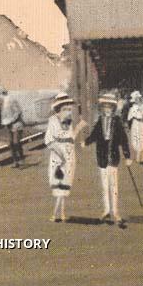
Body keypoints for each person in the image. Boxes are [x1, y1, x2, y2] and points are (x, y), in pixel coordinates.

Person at [84, 93, 132, 227]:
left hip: (113, 156)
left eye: (109, 107)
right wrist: (86, 142)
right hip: (101, 157)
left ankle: (115, 212)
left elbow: (123, 139)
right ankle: (106, 210)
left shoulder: (117, 121)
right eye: (105, 107)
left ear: (113, 108)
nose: (107, 109)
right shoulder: (100, 120)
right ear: (102, 108)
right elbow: (94, 135)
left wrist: (128, 156)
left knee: (114, 186)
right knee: (104, 185)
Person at [45, 92, 87, 222]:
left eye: (69, 109)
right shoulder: (52, 121)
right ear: (58, 109)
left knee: (65, 185)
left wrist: (79, 128)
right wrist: (60, 153)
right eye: (65, 109)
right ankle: (57, 213)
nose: (68, 111)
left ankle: (60, 213)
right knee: (58, 186)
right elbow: (48, 140)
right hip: (58, 156)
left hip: (69, 154)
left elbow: (70, 138)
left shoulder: (69, 122)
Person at [0, 90, 25, 168]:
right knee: (11, 144)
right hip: (9, 125)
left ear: (3, 94)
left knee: (16, 142)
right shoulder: (3, 103)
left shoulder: (12, 100)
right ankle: (15, 162)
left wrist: (11, 121)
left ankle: (21, 159)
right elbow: (4, 115)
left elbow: (18, 112)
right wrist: (4, 122)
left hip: (16, 124)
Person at [127, 90, 143, 164]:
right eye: (136, 99)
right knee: (136, 138)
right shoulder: (133, 107)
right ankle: (138, 156)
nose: (137, 100)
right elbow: (130, 117)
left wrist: (141, 110)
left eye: (138, 98)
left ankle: (142, 157)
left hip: (142, 123)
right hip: (136, 123)